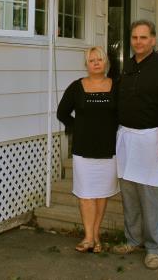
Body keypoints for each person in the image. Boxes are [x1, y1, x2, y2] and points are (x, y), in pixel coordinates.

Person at [113, 20, 158, 269]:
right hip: (126, 139)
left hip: (151, 140)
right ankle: (132, 239)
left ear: (153, 40)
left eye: (143, 37)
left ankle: (154, 248)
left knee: (151, 195)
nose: (138, 42)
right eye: (134, 38)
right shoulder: (128, 67)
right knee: (129, 194)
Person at [57, 46, 120, 253]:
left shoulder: (116, 86)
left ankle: (95, 235)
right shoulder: (77, 87)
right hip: (83, 150)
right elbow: (62, 112)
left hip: (108, 149)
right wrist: (78, 128)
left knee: (102, 194)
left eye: (99, 59)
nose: (95, 63)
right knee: (86, 194)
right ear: (86, 64)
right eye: (91, 60)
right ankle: (88, 237)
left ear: (106, 63)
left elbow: (124, 114)